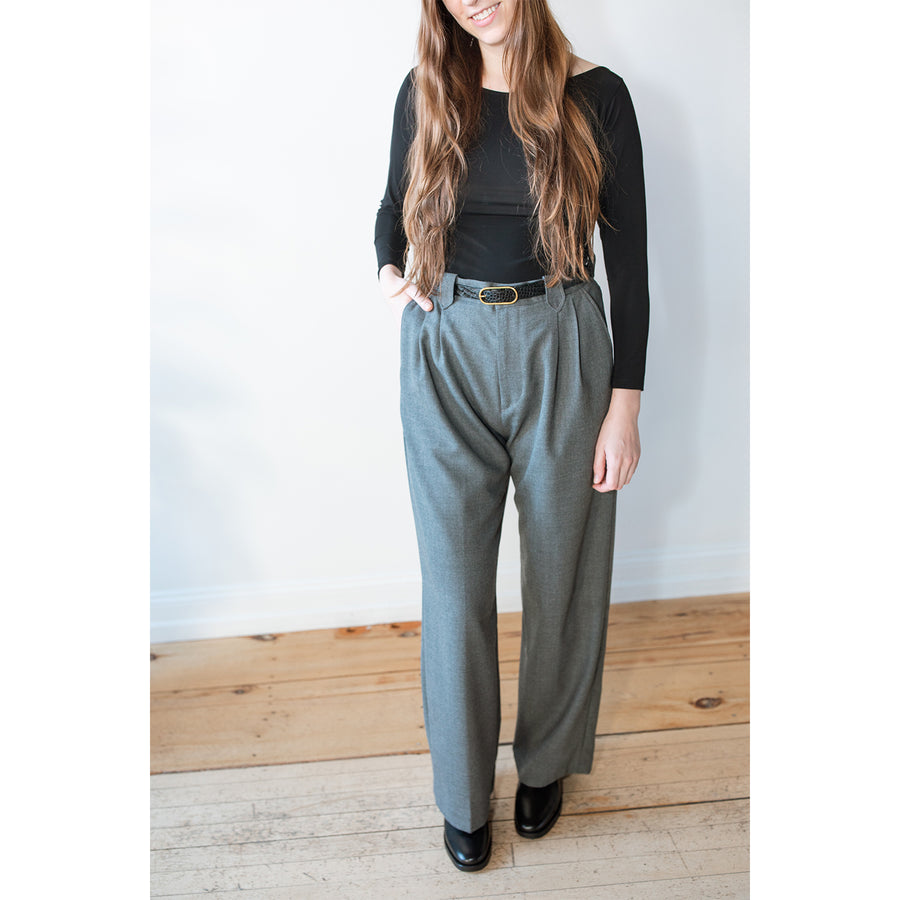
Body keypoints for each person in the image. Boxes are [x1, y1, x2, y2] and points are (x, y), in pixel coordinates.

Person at [374, 0, 649, 873]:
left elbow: (631, 260)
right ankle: (462, 794)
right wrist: (390, 268)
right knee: (454, 584)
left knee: (562, 570)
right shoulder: (427, 89)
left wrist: (625, 406)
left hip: (562, 340)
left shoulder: (598, 96)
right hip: (445, 344)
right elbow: (391, 207)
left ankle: (545, 763)